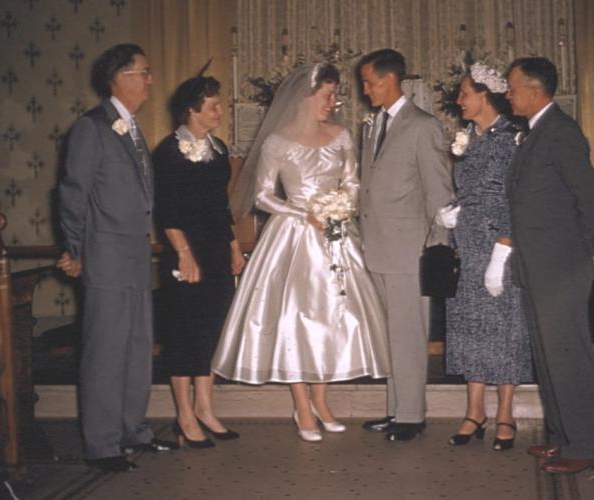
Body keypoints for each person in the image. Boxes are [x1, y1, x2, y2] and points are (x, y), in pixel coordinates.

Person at [211, 63, 391, 442]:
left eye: (335, 94)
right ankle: (302, 405)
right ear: (305, 97)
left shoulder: (340, 136)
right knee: (294, 318)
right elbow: (262, 195)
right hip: (293, 237)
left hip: (336, 233)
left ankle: (322, 401)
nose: (334, 102)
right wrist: (304, 212)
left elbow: (354, 181)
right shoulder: (278, 141)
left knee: (330, 318)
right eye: (328, 95)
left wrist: (340, 207)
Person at [58, 43, 177, 473]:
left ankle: (133, 430)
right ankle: (102, 444)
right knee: (106, 352)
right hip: (105, 258)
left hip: (134, 257)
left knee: (135, 349)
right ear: (121, 78)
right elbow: (74, 194)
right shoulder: (92, 128)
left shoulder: (131, 127)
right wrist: (76, 250)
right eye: (143, 72)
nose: (149, 80)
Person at [505, 57, 594, 473]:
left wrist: (583, 255)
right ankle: (563, 438)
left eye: (512, 88)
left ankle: (584, 447)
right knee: (549, 359)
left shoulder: (561, 133)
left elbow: (592, 199)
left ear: (534, 91)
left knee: (569, 358)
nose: (507, 95)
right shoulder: (536, 133)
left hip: (560, 269)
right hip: (538, 267)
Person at [358, 49, 454, 441]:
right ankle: (397, 408)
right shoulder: (373, 125)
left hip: (408, 249)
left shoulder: (422, 126)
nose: (365, 90)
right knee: (391, 334)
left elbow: (438, 191)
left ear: (391, 80)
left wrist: (438, 247)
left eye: (370, 82)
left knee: (409, 333)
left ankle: (411, 415)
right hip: (376, 245)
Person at [153, 75, 246, 448]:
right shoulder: (168, 151)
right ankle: (184, 415)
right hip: (184, 252)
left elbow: (219, 206)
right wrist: (184, 254)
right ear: (191, 110)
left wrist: (234, 246)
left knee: (210, 330)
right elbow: (167, 211)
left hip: (215, 250)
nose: (220, 111)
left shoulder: (218, 149)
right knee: (182, 333)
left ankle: (206, 409)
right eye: (213, 106)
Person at [443, 63, 532, 451]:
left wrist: (503, 250)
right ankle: (474, 410)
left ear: (485, 95)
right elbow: (468, 192)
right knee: (470, 329)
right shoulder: (466, 138)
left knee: (505, 329)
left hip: (501, 248)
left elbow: (517, 198)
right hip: (469, 246)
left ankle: (505, 413)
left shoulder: (512, 138)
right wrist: (451, 214)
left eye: (464, 93)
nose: (458, 100)